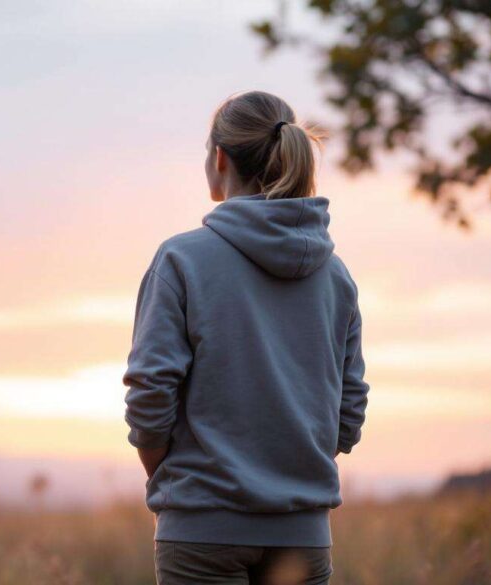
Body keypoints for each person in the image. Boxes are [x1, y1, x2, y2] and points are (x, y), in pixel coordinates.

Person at [122, 90, 370, 585]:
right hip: (303, 538)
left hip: (200, 532)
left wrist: (165, 471)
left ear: (219, 158)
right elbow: (349, 412)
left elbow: (151, 390)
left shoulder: (182, 260)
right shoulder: (335, 275)